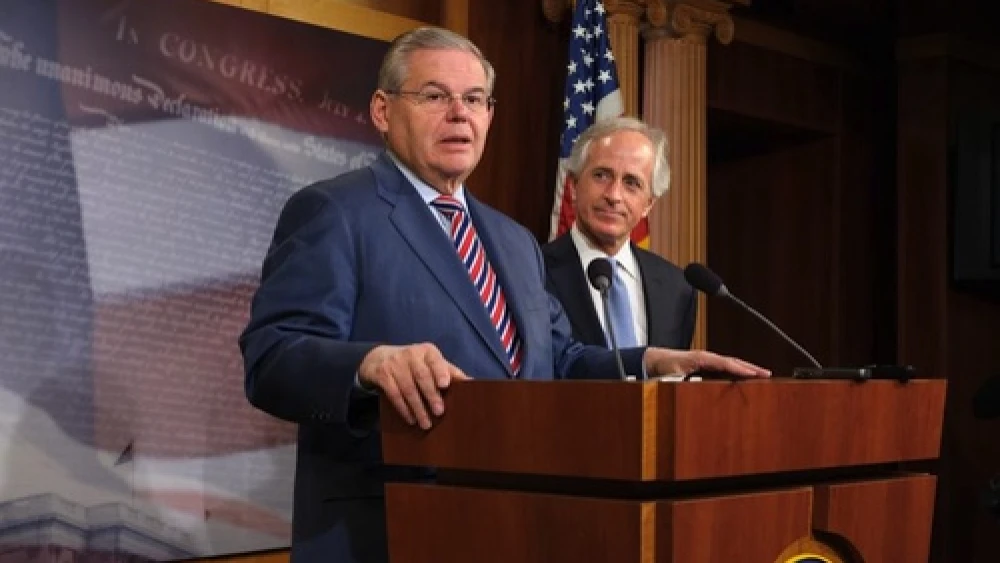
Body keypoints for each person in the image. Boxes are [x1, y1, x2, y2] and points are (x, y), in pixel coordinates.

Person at [238, 26, 769, 563]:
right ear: (382, 110)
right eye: (434, 96)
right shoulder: (336, 212)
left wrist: (648, 362)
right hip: (388, 535)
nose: (459, 113)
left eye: (474, 100)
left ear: (489, 115)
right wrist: (369, 363)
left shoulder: (513, 240)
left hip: (517, 528)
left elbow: (559, 360)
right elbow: (272, 357)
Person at [543, 117, 696, 350]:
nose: (614, 195)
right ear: (573, 186)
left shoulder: (677, 288)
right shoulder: (534, 272)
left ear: (648, 205)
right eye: (602, 175)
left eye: (631, 183)